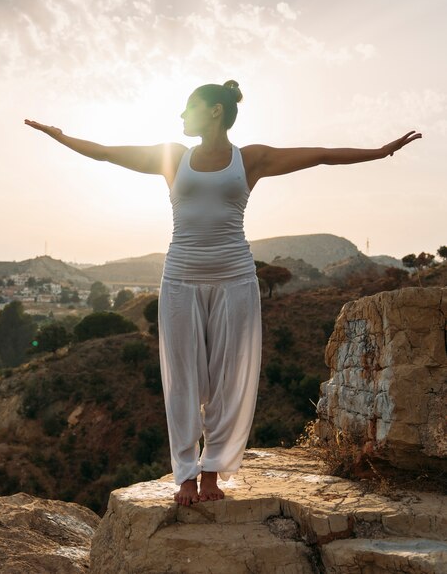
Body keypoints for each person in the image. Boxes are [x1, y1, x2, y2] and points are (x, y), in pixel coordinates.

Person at [24, 80, 421, 506]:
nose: (181, 116)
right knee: (182, 380)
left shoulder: (250, 159)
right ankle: (185, 475)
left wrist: (380, 152)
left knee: (228, 377)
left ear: (215, 110)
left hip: (235, 278)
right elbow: (106, 152)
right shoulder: (173, 157)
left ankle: (212, 471)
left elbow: (321, 155)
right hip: (180, 279)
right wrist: (61, 137)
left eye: (189, 107)